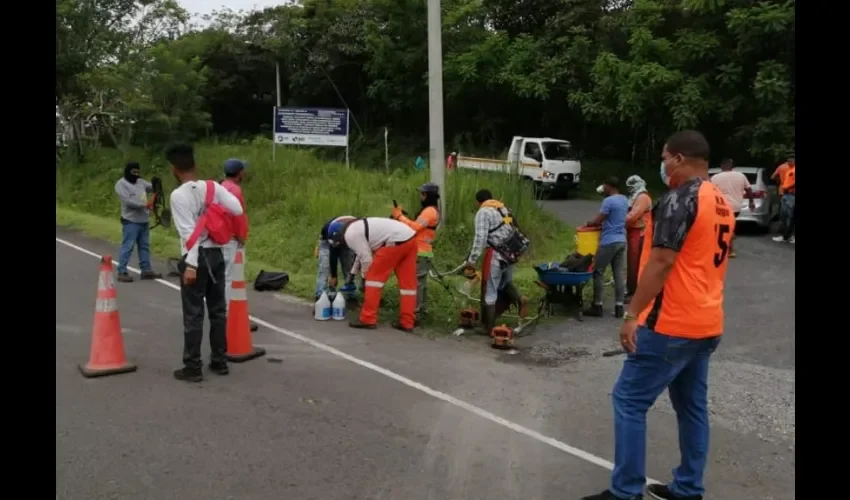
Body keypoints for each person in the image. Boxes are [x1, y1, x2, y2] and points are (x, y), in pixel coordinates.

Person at [582, 130, 734, 500]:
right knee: (692, 408)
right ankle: (688, 486)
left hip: (671, 323)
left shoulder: (680, 199)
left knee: (629, 400)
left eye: (665, 157)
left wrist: (632, 313)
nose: (663, 164)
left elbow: (662, 260)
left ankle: (626, 491)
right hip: (707, 321)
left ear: (679, 158)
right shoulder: (721, 201)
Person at [166, 143, 244, 383]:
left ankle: (193, 366)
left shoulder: (178, 196)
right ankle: (219, 362)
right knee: (218, 311)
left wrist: (190, 266)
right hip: (217, 255)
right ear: (195, 165)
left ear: (173, 170)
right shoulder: (212, 187)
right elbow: (237, 209)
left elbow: (188, 234)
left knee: (194, 314)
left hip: (196, 259)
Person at [328, 217, 418, 332]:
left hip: (393, 242)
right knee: (408, 286)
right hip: (410, 239)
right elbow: (360, 256)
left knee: (373, 281)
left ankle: (368, 319)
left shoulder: (349, 235)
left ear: (339, 238)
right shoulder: (356, 228)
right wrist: (352, 274)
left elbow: (366, 259)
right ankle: (407, 322)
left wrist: (365, 279)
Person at [465, 189, 529, 336]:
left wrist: (472, 260)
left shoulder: (483, 212)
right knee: (505, 283)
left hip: (496, 255)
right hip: (511, 253)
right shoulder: (503, 208)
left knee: (489, 290)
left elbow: (480, 238)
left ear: (478, 202)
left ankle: (488, 327)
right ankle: (519, 299)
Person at [392, 182, 441, 324]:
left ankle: (414, 313)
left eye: (423, 194)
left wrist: (400, 217)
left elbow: (414, 227)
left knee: (416, 284)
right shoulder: (431, 210)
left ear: (428, 196)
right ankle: (419, 311)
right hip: (423, 251)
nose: (421, 196)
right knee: (421, 284)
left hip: (420, 252)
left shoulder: (429, 211)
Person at [220, 158, 258, 332]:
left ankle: (226, 312)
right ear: (239, 172)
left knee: (225, 277)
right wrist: (242, 237)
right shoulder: (234, 190)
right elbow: (238, 216)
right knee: (233, 278)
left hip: (220, 237)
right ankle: (231, 315)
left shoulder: (220, 187)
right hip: (232, 239)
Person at [585, 177, 629, 318]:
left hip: (609, 241)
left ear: (610, 187)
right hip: (622, 240)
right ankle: (619, 307)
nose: (603, 189)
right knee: (618, 275)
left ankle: (597, 305)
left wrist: (590, 223)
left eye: (605, 186)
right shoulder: (624, 199)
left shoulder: (608, 201)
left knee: (598, 271)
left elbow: (599, 219)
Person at [114, 161, 161, 282]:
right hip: (131, 221)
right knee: (128, 246)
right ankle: (122, 271)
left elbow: (151, 187)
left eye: (137, 172)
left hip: (143, 220)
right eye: (133, 172)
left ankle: (146, 270)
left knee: (144, 246)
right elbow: (127, 201)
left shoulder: (140, 182)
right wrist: (145, 205)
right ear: (127, 171)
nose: (135, 174)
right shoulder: (121, 184)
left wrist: (156, 184)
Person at [710, 158, 754, 258]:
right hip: (736, 208)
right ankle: (729, 246)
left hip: (722, 207)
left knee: (724, 227)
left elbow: (710, 191)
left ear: (721, 166)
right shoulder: (741, 175)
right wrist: (751, 202)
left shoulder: (715, 177)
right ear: (732, 166)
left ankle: (728, 249)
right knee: (729, 226)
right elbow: (749, 189)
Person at [315, 215, 358, 300]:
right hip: (326, 243)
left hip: (347, 238)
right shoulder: (330, 231)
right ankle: (320, 294)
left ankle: (350, 292)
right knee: (324, 267)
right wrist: (334, 276)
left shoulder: (357, 229)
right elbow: (333, 254)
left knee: (348, 266)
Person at [624, 175, 652, 302]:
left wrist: (618, 221)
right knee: (631, 263)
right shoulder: (635, 196)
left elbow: (632, 216)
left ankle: (636, 293)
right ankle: (631, 289)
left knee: (637, 263)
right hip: (634, 232)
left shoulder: (642, 197)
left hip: (641, 233)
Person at [772, 161, 796, 244]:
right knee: (785, 215)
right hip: (786, 194)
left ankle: (789, 236)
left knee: (790, 216)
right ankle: (786, 235)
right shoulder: (789, 169)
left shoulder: (789, 169)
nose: (789, 162)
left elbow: (773, 177)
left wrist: (787, 187)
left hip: (790, 194)